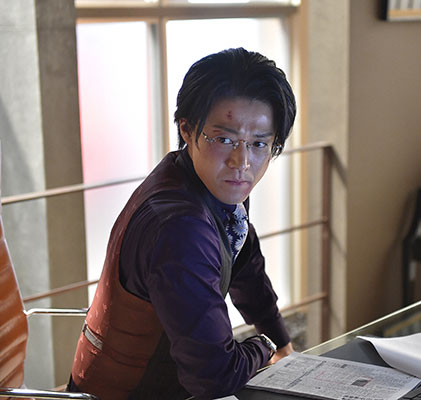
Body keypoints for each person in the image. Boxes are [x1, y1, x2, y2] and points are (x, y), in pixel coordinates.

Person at [67, 47, 296, 399]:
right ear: (187, 129)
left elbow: (245, 264)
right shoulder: (181, 228)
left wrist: (282, 339)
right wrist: (265, 346)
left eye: (259, 144)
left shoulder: (204, 178)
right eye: (224, 139)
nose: (242, 162)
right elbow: (214, 377)